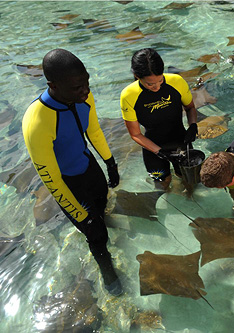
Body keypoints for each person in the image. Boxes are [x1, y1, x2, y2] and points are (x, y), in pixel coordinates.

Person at [22, 49, 123, 295]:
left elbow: (94, 131)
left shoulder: (83, 98)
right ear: (53, 85)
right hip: (68, 184)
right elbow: (52, 180)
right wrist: (83, 218)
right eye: (78, 87)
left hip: (90, 168)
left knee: (102, 204)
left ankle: (101, 223)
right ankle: (106, 267)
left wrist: (109, 162)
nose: (86, 91)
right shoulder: (36, 122)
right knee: (95, 235)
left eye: (86, 83)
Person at [120, 48, 198, 190]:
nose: (156, 87)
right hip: (152, 147)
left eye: (160, 80)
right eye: (150, 84)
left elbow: (190, 108)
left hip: (181, 140)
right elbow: (135, 134)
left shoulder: (177, 81)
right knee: (162, 184)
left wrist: (193, 125)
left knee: (190, 181)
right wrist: (159, 151)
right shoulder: (128, 95)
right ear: (137, 76)